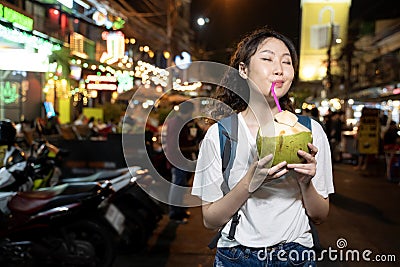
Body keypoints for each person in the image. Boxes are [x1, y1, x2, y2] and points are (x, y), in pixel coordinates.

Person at [191, 26, 334, 266]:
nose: (279, 69)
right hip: (236, 256)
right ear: (243, 70)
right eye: (267, 59)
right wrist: (249, 182)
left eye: (286, 62)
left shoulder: (310, 131)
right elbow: (210, 220)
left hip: (295, 255)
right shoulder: (221, 135)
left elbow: (320, 215)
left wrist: (306, 183)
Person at [165, 101, 200, 224]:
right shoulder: (178, 124)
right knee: (177, 187)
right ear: (188, 111)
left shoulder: (177, 122)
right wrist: (193, 149)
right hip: (177, 159)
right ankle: (175, 214)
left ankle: (179, 211)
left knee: (180, 186)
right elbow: (175, 146)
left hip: (178, 159)